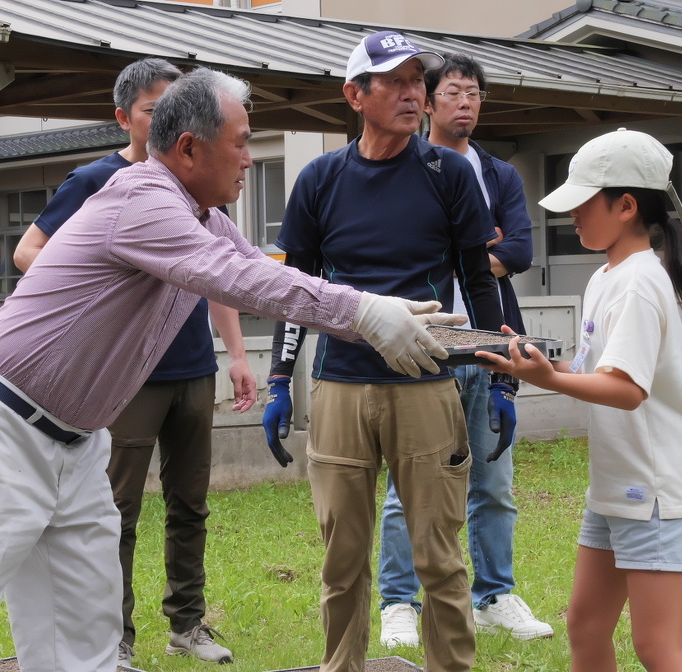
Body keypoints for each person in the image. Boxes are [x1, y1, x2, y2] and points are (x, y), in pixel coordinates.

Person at [0, 67, 465, 672]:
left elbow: (268, 275)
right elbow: (238, 277)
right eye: (241, 143)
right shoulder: (143, 199)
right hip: (0, 433)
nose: (247, 159)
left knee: (82, 641)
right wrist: (363, 311)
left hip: (77, 443)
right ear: (188, 148)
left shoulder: (204, 216)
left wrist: (376, 314)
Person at [261, 31, 504, 672]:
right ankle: (341, 665)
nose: (412, 93)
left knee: (439, 556)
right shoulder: (320, 179)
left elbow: (478, 279)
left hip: (426, 381)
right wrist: (280, 378)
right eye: (394, 81)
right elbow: (296, 291)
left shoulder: (448, 174)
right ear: (355, 96)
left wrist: (500, 374)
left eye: (417, 80)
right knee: (342, 558)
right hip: (340, 385)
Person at [12, 57, 254, 665]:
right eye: (154, 109)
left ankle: (188, 624)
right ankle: (115, 635)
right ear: (124, 118)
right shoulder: (100, 181)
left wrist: (237, 354)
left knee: (190, 503)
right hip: (128, 377)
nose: (168, 117)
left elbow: (225, 272)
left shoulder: (201, 190)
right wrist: (105, 299)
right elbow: (31, 252)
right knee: (115, 510)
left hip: (192, 367)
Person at [478, 128, 682, 672]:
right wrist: (534, 363)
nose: (572, 215)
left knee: (657, 646)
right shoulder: (607, 277)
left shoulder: (638, 282)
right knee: (585, 627)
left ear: (626, 207)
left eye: (583, 202)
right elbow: (595, 372)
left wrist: (549, 380)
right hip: (617, 483)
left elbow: (626, 391)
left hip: (655, 488)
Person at [376, 51, 552, 648]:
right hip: (423, 343)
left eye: (474, 93)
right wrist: (470, 252)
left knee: (494, 478)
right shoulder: (403, 167)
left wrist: (459, 256)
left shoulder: (498, 174)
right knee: (408, 483)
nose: (466, 103)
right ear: (429, 102)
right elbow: (401, 255)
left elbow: (519, 250)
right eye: (453, 92)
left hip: (489, 340)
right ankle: (399, 602)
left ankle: (495, 595)